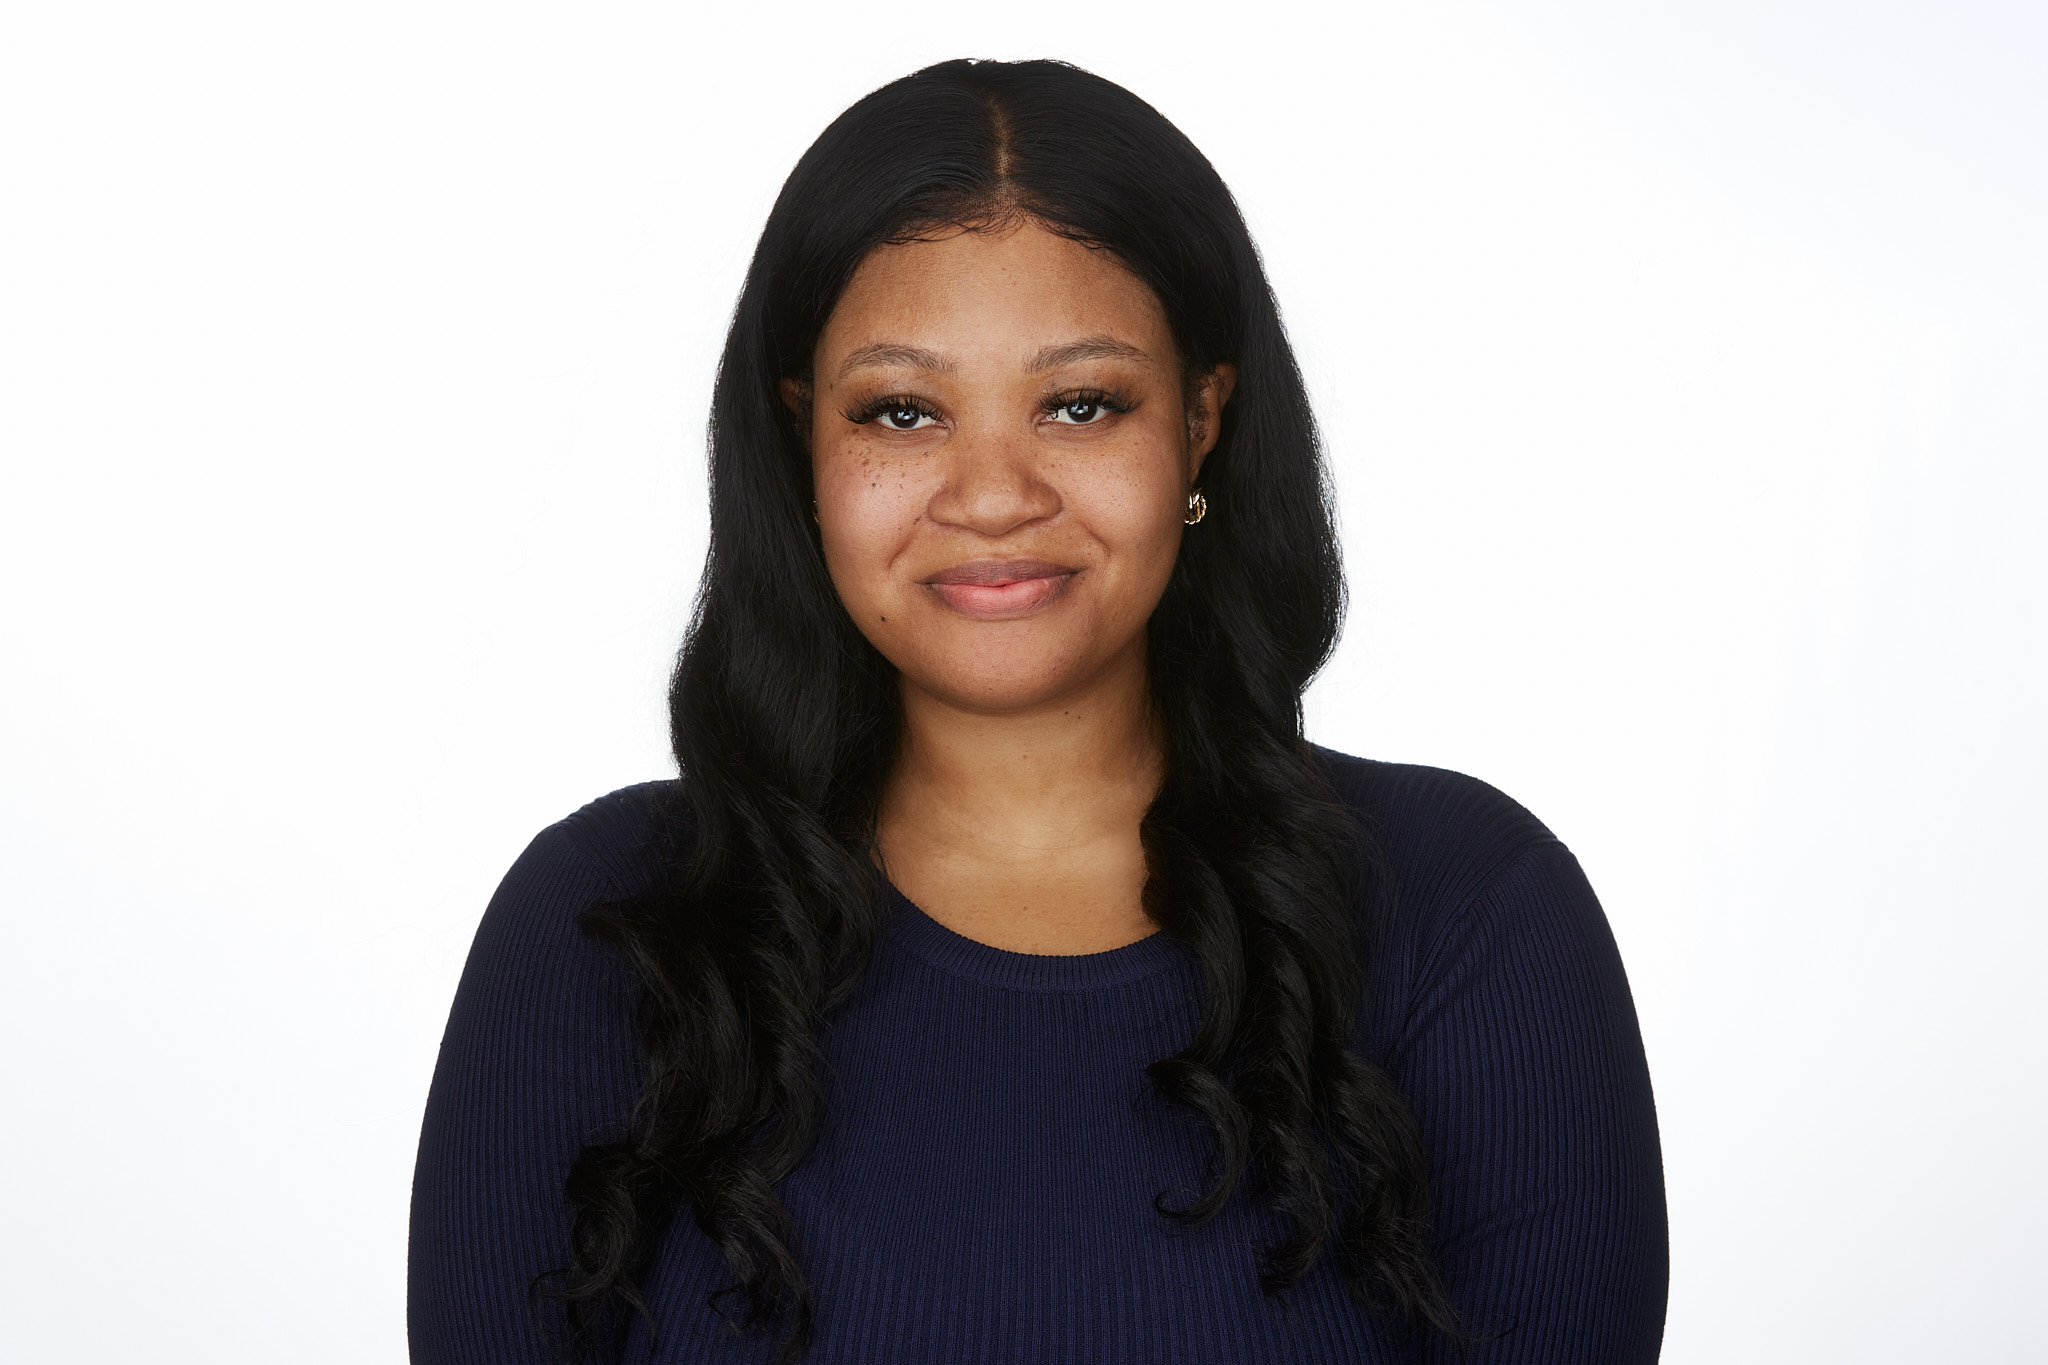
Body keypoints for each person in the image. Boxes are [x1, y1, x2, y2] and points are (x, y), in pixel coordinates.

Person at [407, 58, 1667, 1365]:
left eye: (1080, 404)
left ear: (1202, 421)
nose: (994, 494)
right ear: (801, 443)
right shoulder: (605, 928)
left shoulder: (1469, 913)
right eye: (904, 411)